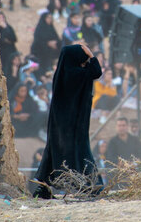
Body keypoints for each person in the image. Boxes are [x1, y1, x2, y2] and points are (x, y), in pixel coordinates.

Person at [32, 44, 102, 199]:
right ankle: (91, 185)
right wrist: (91, 54)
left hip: (60, 123)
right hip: (73, 125)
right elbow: (97, 72)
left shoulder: (63, 73)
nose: (84, 63)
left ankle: (42, 188)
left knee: (55, 152)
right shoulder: (76, 74)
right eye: (82, 60)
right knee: (80, 151)